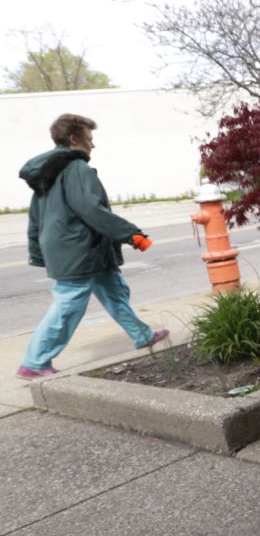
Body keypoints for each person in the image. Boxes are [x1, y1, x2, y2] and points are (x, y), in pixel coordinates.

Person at [15, 113, 169, 379]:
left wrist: (38, 252)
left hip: (75, 248)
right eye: (89, 138)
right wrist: (131, 234)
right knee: (68, 303)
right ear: (74, 139)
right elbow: (91, 209)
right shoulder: (76, 169)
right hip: (79, 249)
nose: (92, 145)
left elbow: (36, 217)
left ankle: (142, 335)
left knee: (113, 290)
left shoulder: (48, 172)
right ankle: (35, 362)